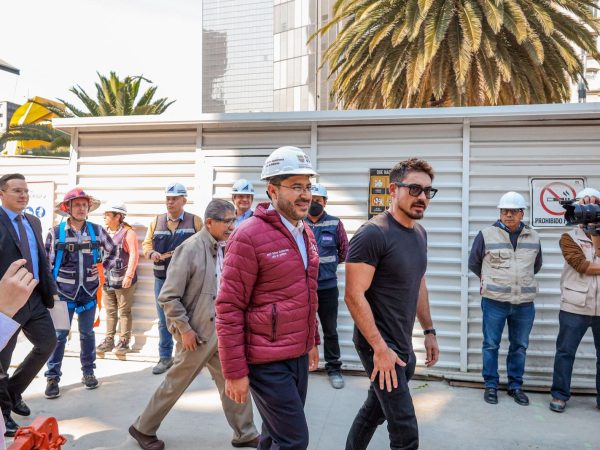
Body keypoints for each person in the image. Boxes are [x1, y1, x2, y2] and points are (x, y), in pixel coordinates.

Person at [129, 199, 260, 450]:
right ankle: (143, 428)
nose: (232, 226)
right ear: (209, 222)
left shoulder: (224, 246)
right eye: (227, 221)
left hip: (220, 331)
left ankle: (245, 433)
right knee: (175, 384)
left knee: (233, 378)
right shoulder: (189, 249)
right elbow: (168, 296)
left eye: (234, 220)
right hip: (197, 335)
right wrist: (185, 330)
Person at [216, 146, 320, 450]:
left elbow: (307, 295)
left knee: (274, 435)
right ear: (272, 190)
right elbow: (229, 308)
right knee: (294, 440)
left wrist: (312, 340)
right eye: (296, 187)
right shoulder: (248, 236)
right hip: (266, 360)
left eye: (308, 186)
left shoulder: (306, 233)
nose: (305, 195)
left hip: (297, 355)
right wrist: (234, 372)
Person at [344, 158, 440, 450]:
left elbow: (418, 282)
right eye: (414, 189)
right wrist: (380, 348)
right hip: (378, 345)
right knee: (405, 432)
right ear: (393, 190)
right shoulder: (373, 234)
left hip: (402, 343)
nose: (422, 197)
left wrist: (429, 331)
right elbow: (353, 295)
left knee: (373, 412)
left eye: (427, 191)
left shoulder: (420, 233)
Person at [469, 191, 542, 406]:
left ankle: (515, 386)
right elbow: (474, 263)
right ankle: (491, 385)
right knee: (491, 345)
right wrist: (494, 281)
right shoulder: (486, 235)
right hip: (494, 302)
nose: (508, 215)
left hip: (524, 304)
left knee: (519, 346)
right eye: (504, 211)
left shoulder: (534, 236)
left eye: (513, 211)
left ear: (522, 213)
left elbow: (536, 265)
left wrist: (519, 282)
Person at [44, 187, 117, 399]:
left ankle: (88, 372)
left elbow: (114, 251)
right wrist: (49, 293)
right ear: (68, 208)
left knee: (87, 334)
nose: (81, 208)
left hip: (89, 293)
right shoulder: (55, 233)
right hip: (62, 295)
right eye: (77, 204)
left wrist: (103, 267)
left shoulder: (97, 231)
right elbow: (46, 265)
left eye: (84, 205)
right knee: (59, 336)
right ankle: (52, 377)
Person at [0, 173, 58, 436]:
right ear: (2, 193)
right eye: (17, 191)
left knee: (47, 343)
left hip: (34, 297)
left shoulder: (33, 221)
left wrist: (51, 291)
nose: (23, 195)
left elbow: (41, 260)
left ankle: (12, 393)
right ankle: (3, 414)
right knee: (2, 361)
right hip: (8, 301)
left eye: (25, 191)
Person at [142, 182, 203, 375]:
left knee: (189, 319)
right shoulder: (156, 221)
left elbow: (205, 245)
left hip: (188, 280)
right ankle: (165, 357)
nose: (170, 202)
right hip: (162, 279)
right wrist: (151, 253)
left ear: (184, 200)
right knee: (164, 320)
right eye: (168, 198)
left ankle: (189, 358)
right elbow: (146, 244)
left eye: (174, 199)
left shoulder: (195, 222)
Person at [549, 188, 600, 413]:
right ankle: (559, 395)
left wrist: (597, 232)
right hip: (574, 306)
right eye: (584, 210)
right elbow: (582, 266)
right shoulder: (568, 237)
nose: (588, 215)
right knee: (565, 353)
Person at [305, 183, 348, 389]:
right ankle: (302, 365)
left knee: (330, 329)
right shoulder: (297, 222)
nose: (314, 203)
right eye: (311, 200)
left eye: (318, 200)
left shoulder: (335, 223)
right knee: (302, 327)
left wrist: (327, 269)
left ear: (325, 202)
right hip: (303, 287)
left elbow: (344, 252)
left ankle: (334, 368)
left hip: (327, 286)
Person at [96, 203, 140, 356]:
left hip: (123, 280)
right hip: (107, 280)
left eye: (108, 214)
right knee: (110, 311)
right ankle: (109, 340)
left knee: (124, 311)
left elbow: (134, 254)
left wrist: (129, 275)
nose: (104, 217)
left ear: (118, 216)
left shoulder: (128, 233)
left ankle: (124, 341)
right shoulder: (104, 232)